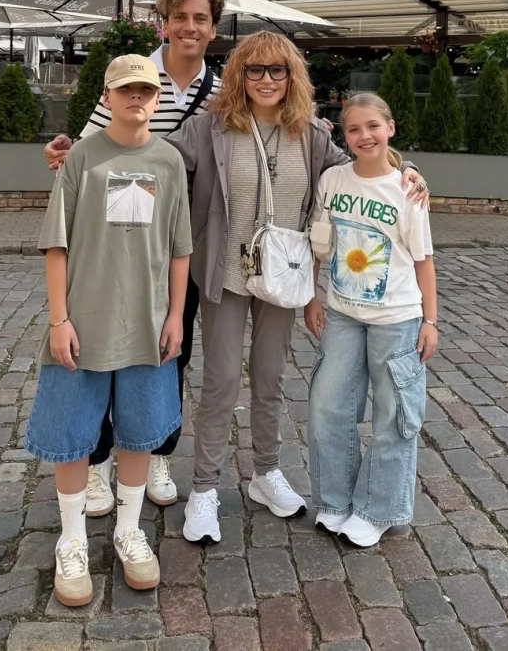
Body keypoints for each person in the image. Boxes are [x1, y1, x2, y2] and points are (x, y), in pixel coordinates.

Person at [166, 33, 428, 545]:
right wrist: (81, 154)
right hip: (225, 273)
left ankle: (265, 472)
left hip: (284, 276)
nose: (266, 80)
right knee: (221, 380)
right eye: (255, 70)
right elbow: (156, 159)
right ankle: (204, 488)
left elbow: (363, 164)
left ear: (292, 76)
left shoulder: (308, 133)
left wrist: (409, 168)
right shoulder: (210, 127)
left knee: (269, 378)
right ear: (239, 75)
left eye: (277, 70)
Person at [43, 0, 226, 514]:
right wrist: (62, 152)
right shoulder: (134, 74)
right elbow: (88, 148)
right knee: (99, 349)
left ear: (213, 29)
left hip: (180, 236)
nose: (190, 27)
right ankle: (98, 461)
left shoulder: (222, 91)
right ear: (164, 24)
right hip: (117, 236)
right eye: (180, 17)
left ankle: (156, 450)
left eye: (200, 19)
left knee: (170, 348)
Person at [25, 55, 192, 604]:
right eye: (125, 90)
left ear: (157, 98)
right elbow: (56, 244)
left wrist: (175, 315)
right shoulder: (82, 157)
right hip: (85, 320)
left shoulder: (169, 161)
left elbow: (180, 248)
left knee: (139, 431)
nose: (136, 98)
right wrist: (59, 319)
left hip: (147, 322)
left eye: (145, 90)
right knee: (73, 434)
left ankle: (128, 530)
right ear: (108, 97)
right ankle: (72, 540)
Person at [305, 92, 438, 547]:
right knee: (328, 406)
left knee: (394, 414)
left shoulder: (407, 190)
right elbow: (320, 243)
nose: (364, 136)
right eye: (354, 129)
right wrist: (312, 296)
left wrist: (431, 321)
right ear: (344, 136)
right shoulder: (333, 180)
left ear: (390, 128)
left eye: (373, 126)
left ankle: (378, 509)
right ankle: (335, 499)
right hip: (342, 313)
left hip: (397, 318)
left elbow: (423, 260)